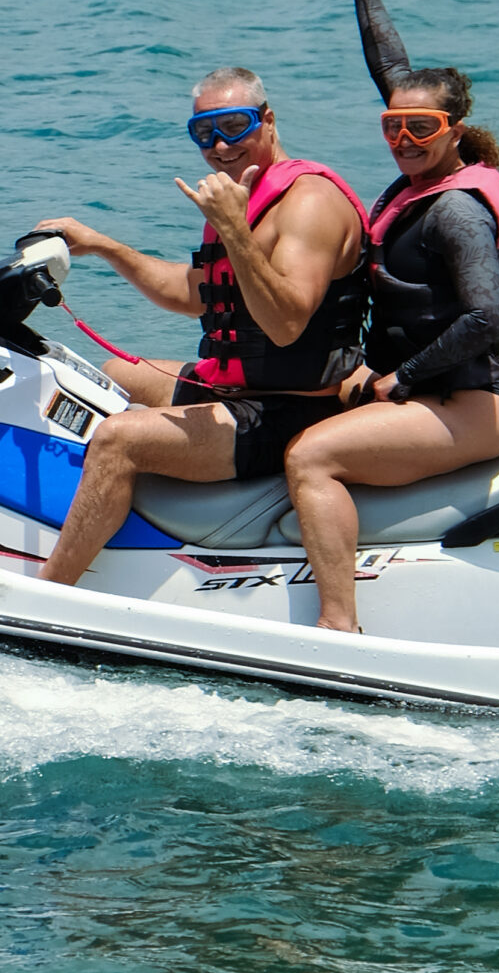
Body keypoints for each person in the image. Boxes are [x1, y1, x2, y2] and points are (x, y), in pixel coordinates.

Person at [283, 0, 499, 632]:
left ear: (454, 131)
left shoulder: (456, 211)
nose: (403, 138)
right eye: (393, 125)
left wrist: (401, 379)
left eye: (421, 127)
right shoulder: (423, 177)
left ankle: (338, 625)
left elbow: (486, 316)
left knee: (310, 458)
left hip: (471, 399)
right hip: (424, 389)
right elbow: (391, 68)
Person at [33, 67, 370, 586]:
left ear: (268, 120)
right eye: (204, 132)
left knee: (118, 439)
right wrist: (102, 246)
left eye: (234, 125)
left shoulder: (309, 204)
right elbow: (194, 293)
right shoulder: (243, 196)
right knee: (112, 375)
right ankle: (104, 522)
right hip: (241, 389)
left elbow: (286, 323)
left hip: (289, 410)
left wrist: (233, 227)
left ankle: (52, 589)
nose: (220, 145)